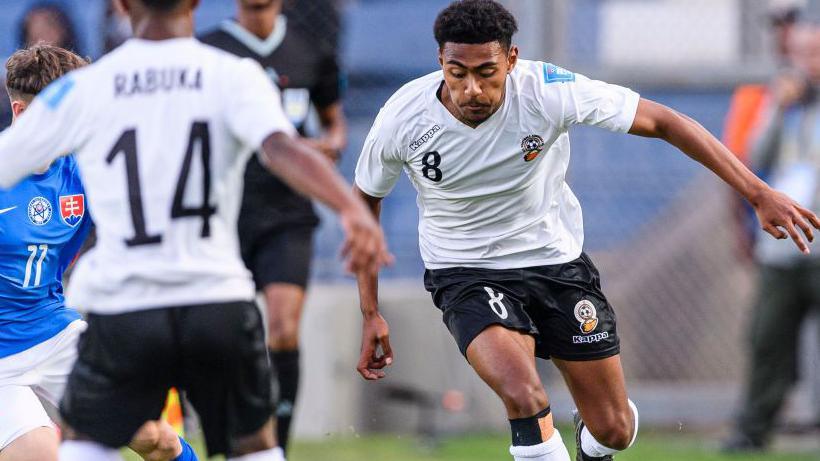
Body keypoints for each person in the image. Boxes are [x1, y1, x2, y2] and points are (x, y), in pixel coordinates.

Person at [352, 1, 820, 461]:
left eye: (487, 73)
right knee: (524, 395)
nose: (472, 89)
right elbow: (365, 200)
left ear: (511, 61)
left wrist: (757, 192)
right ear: (440, 62)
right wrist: (370, 311)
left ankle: (592, 442)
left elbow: (663, 121)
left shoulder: (548, 90)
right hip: (466, 271)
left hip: (556, 265)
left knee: (614, 430)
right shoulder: (404, 116)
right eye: (457, 73)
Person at [0, 1, 389, 461]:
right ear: (197, 4)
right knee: (252, 447)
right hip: (214, 297)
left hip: (124, 302)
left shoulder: (88, 88)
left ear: (122, 7)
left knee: (116, 443)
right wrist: (352, 210)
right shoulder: (235, 73)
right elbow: (282, 146)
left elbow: (16, 154)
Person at [0, 44, 197, 461]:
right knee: (42, 454)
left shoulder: (86, 169)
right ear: (21, 115)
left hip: (51, 331)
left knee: (156, 440)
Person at [199, 0, 347, 454]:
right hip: (225, 212)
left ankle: (275, 447)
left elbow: (333, 123)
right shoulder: (211, 51)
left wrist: (327, 147)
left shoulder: (310, 48)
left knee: (282, 328)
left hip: (286, 211)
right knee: (222, 333)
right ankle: (222, 439)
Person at [722, 24, 820, 453]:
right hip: (783, 248)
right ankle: (752, 431)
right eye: (802, 53)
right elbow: (756, 158)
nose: (808, 62)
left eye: (815, 53)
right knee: (767, 340)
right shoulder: (778, 101)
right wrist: (780, 109)